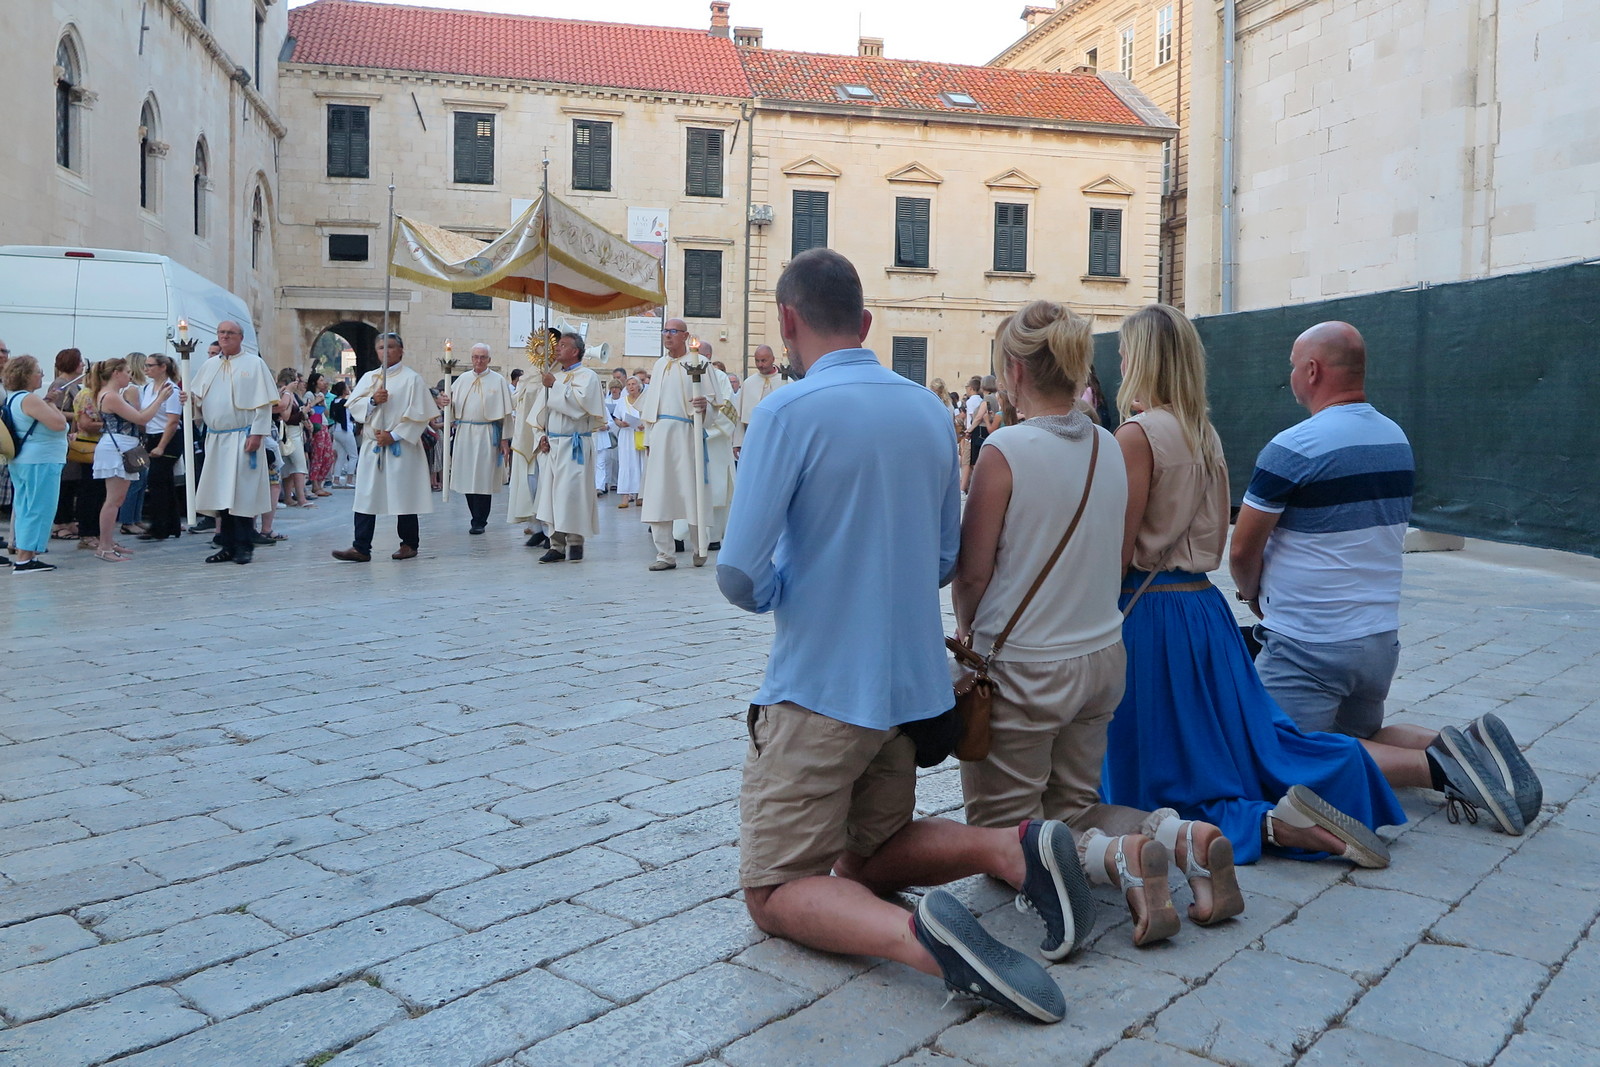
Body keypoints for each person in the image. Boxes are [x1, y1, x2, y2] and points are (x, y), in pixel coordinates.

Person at [717, 248, 1090, 1024]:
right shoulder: (927, 408)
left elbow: (739, 573)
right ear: (867, 322)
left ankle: (924, 939)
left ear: (787, 321)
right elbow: (948, 555)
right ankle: (1010, 848)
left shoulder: (788, 411)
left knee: (772, 886)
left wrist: (794, 585)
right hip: (909, 692)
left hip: (820, 686)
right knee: (872, 848)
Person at [954, 301, 1240, 946]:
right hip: (1102, 658)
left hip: (1026, 665)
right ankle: (1181, 837)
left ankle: (1118, 861)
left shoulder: (1004, 450)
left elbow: (972, 573)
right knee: (1076, 806)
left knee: (1004, 835)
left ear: (1014, 370)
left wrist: (969, 635)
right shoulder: (1112, 446)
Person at [1229, 321, 1538, 833]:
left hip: (1311, 643)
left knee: (1276, 753)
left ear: (1312, 371)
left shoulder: (1294, 446)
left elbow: (1243, 545)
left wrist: (1251, 590)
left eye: (1291, 366)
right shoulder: (1394, 438)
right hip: (1376, 644)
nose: (1289, 376)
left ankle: (1440, 767)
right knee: (1361, 736)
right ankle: (1470, 747)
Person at [637, 318, 734, 570]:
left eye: (673, 332)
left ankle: (699, 547)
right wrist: (649, 438)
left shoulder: (700, 364)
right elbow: (651, 408)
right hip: (661, 436)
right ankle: (664, 555)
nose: (667, 335)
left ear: (685, 336)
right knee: (659, 495)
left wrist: (704, 409)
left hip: (686, 433)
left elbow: (714, 405)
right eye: (665, 331)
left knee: (693, 493)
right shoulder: (659, 365)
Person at [333, 333, 434, 562]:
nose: (385, 351)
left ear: (401, 350)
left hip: (401, 445)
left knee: (403, 494)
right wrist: (372, 401)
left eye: (390, 347)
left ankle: (409, 543)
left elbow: (419, 415)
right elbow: (354, 407)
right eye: (380, 347)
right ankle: (361, 546)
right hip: (373, 443)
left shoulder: (412, 379)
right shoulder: (370, 378)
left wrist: (394, 435)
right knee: (366, 494)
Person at [186, 321, 275, 564]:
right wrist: (189, 400)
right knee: (221, 494)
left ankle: (244, 546)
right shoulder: (209, 366)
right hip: (215, 438)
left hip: (242, 436)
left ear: (240, 337)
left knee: (241, 494)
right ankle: (226, 545)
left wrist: (257, 433)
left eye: (230, 333)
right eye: (221, 333)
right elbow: (199, 400)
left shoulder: (254, 364)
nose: (225, 336)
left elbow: (264, 403)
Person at [90, 357, 174, 563]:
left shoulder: (111, 394)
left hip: (121, 445)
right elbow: (142, 418)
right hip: (117, 447)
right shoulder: (111, 396)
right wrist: (160, 399)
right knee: (113, 500)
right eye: (127, 372)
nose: (130, 375)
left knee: (117, 499)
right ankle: (104, 545)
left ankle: (108, 542)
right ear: (116, 373)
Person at [529, 332, 603, 563]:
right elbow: (540, 413)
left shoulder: (588, 376)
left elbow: (580, 408)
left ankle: (576, 541)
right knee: (551, 496)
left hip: (575, 445)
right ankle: (556, 544)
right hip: (553, 445)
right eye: (557, 345)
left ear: (576, 351)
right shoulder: (553, 376)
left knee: (572, 495)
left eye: (563, 345)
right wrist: (540, 435)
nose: (557, 349)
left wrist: (556, 386)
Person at [4, 355, 71, 573]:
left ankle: (27, 553)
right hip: (40, 461)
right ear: (26, 375)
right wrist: (51, 404)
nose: (41, 374)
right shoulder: (30, 399)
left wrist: (48, 401)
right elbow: (59, 424)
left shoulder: (15, 398)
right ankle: (26, 558)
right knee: (39, 507)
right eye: (37, 370)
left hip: (26, 460)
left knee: (26, 506)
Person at [440, 343, 514, 535]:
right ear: (471, 358)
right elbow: (451, 407)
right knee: (467, 477)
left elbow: (505, 413)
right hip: (465, 432)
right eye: (475, 357)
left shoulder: (498, 381)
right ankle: (475, 514)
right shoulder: (462, 379)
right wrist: (445, 403)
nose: (479, 360)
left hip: (487, 434)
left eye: (483, 357)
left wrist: (505, 440)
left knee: (483, 478)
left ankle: (480, 520)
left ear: (489, 359)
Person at [138, 354, 184, 540]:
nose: (146, 369)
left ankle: (160, 526)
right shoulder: (148, 388)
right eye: (146, 366)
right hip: (152, 435)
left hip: (167, 438)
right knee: (163, 482)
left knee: (157, 481)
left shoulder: (170, 389)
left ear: (163, 367)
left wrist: (162, 446)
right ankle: (170, 524)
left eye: (150, 366)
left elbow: (172, 421)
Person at [734, 344, 785, 457]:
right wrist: (737, 442)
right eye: (757, 361)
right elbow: (739, 416)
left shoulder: (786, 382)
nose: (760, 365)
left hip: (778, 438)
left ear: (773, 359)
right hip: (753, 438)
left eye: (763, 360)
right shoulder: (748, 383)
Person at [275, 368, 313, 509]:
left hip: (293, 432)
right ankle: (301, 498)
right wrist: (303, 412)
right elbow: (286, 416)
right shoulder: (287, 395)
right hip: (291, 432)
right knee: (299, 466)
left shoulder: (290, 394)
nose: (299, 382)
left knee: (289, 467)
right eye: (297, 379)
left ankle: (289, 497)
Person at [612, 375, 646, 508]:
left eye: (633, 384)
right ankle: (625, 497)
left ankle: (640, 496)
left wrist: (643, 424)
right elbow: (616, 418)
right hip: (626, 436)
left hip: (640, 434)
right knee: (626, 464)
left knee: (640, 463)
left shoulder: (645, 400)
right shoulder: (622, 401)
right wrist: (621, 423)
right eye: (629, 384)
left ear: (639, 386)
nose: (631, 387)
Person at [304, 371, 335, 496]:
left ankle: (320, 482)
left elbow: (326, 414)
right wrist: (316, 401)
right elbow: (307, 409)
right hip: (315, 427)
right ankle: (315, 485)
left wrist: (322, 403)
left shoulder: (322, 395)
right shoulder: (309, 394)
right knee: (317, 455)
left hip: (324, 425)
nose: (323, 382)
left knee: (328, 456)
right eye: (321, 380)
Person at [326, 380, 358, 488]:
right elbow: (351, 417)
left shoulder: (334, 401)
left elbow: (332, 416)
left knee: (341, 456)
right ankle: (349, 480)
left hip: (337, 430)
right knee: (353, 456)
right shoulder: (345, 402)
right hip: (346, 430)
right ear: (344, 391)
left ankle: (336, 480)